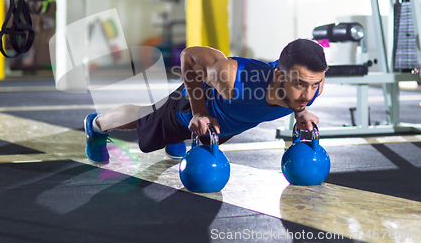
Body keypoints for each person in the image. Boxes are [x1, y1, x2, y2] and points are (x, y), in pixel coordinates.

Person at [83, 38, 327, 164]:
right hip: (191, 105)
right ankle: (95, 125)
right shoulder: (233, 78)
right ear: (278, 75)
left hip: (224, 125)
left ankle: (178, 137)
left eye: (313, 85)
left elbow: (306, 91)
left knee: (197, 133)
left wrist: (299, 114)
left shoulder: (312, 84)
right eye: (299, 85)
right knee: (145, 116)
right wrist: (199, 112)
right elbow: (189, 56)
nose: (307, 94)